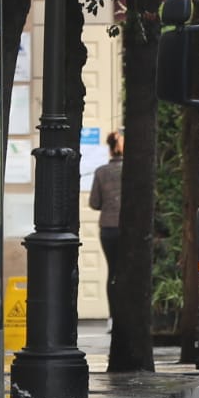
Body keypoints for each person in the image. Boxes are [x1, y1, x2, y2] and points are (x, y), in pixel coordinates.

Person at [89, 131, 124, 324]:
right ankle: (128, 314)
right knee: (129, 271)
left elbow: (94, 203)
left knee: (113, 271)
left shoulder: (101, 172)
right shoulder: (132, 170)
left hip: (108, 228)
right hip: (128, 229)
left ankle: (113, 316)